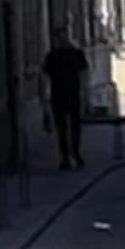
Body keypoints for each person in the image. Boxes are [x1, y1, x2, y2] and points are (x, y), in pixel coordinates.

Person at [43, 32, 89, 168]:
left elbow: (45, 76)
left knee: (62, 128)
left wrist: (45, 97)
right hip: (71, 95)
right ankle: (75, 154)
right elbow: (84, 74)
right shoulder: (75, 54)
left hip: (58, 96)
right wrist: (84, 92)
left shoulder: (52, 56)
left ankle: (66, 158)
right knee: (74, 127)